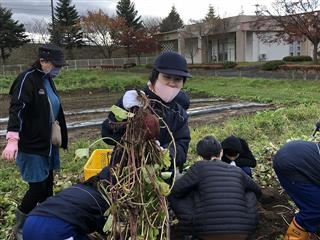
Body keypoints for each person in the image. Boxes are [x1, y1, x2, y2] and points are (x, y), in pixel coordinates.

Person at [0, 44, 68, 239]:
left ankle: (45, 220)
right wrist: (13, 138)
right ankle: (19, 228)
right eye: (56, 65)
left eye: (60, 66)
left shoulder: (47, 80)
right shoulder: (27, 79)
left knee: (47, 185)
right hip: (32, 144)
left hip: (46, 143)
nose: (58, 69)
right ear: (43, 61)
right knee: (37, 187)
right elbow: (17, 108)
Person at [101, 51, 191, 175]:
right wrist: (124, 112)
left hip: (160, 176)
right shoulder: (133, 101)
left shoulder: (179, 113)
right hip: (124, 171)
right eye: (167, 77)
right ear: (155, 76)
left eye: (178, 79)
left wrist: (164, 153)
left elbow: (182, 148)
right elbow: (107, 135)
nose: (172, 83)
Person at [169, 136, 261, 240]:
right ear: (221, 152)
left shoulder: (199, 168)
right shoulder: (237, 171)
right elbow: (257, 190)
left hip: (206, 234)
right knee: (250, 192)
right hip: (243, 233)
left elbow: (175, 191)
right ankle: (250, 224)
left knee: (180, 194)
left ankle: (191, 227)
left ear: (200, 155)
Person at [22, 168, 111, 240]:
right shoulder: (103, 203)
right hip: (58, 231)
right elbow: (105, 229)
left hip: (30, 222)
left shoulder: (78, 188)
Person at [273, 140, 320, 240]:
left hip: (291, 157)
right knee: (315, 208)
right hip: (291, 164)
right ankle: (294, 236)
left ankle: (311, 230)